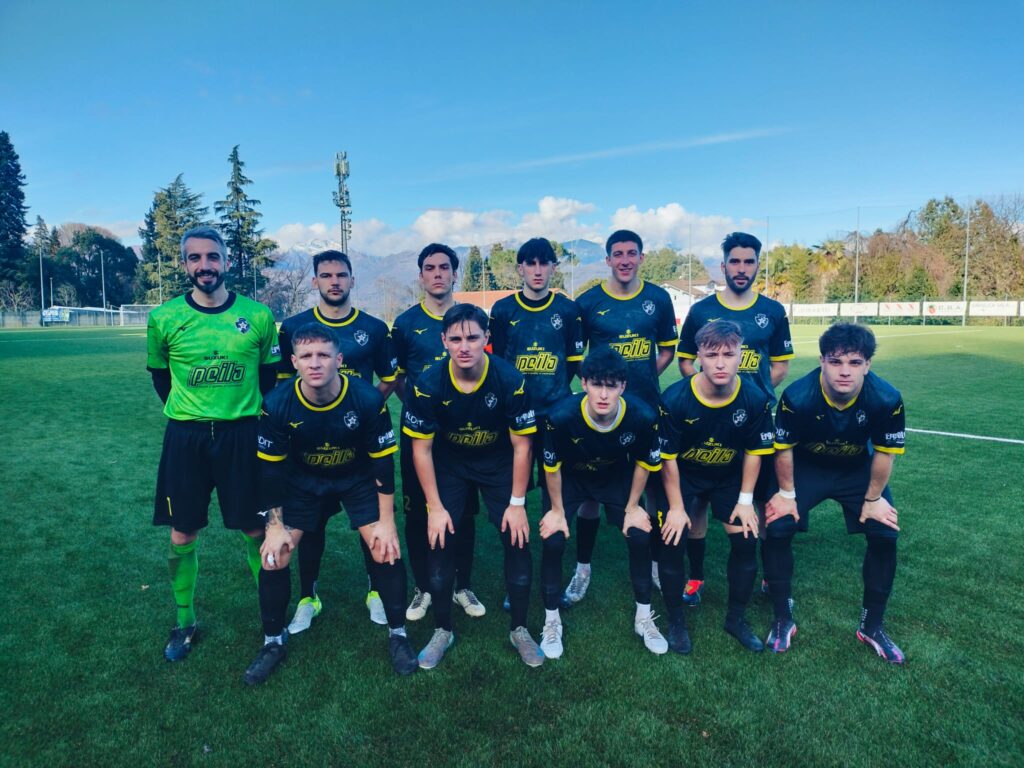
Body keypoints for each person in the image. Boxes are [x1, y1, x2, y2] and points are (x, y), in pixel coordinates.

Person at [247, 323, 416, 684]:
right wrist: (274, 527)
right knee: (275, 555)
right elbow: (270, 471)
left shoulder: (366, 398)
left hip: (356, 478)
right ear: (294, 362)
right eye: (306, 356)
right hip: (302, 483)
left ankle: (399, 635)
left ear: (339, 360)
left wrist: (387, 522)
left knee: (385, 549)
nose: (315, 363)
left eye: (323, 355)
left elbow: (382, 463)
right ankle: (272, 643)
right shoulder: (276, 403)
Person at [146, 225, 280, 661]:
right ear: (185, 264)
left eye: (212, 256)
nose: (204, 265)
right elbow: (160, 378)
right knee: (182, 529)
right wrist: (192, 412)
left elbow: (269, 377)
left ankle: (271, 622)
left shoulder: (257, 316)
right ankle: (184, 622)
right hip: (186, 437)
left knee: (255, 528)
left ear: (226, 260)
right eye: (195, 258)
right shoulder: (164, 318)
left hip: (242, 435)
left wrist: (236, 413)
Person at [403, 304, 542, 668]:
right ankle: (442, 630)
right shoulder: (427, 384)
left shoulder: (509, 379)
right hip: (450, 465)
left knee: (516, 537)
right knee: (440, 539)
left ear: (486, 339)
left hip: (498, 464)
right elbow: (421, 449)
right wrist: (434, 507)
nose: (464, 347)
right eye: (455, 339)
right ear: (443, 341)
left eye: (472, 338)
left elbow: (523, 446)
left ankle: (520, 630)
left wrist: (517, 503)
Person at [763, 323, 906, 663]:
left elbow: (884, 454)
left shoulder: (887, 398)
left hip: (856, 469)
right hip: (806, 466)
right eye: (836, 361)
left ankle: (872, 625)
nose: (845, 371)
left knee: (885, 533)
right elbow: (783, 450)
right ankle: (782, 616)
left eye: (855, 363)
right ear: (822, 361)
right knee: (777, 526)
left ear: (867, 365)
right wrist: (786, 494)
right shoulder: (798, 396)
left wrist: (873, 500)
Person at [275, 250, 398, 631]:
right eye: (326, 275)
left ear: (352, 280)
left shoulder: (373, 328)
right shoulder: (293, 327)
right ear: (314, 281)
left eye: (341, 275)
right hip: (307, 447)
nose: (334, 282)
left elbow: (389, 377)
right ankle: (308, 597)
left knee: (369, 522)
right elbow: (283, 386)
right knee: (310, 524)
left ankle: (375, 591)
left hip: (359, 446)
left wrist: (364, 411)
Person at [675, 232, 794, 607]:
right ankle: (696, 577)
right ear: (723, 265)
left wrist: (752, 394)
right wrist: (711, 395)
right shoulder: (701, 311)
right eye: (735, 261)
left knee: (759, 496)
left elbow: (780, 366)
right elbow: (685, 361)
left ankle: (766, 575)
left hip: (754, 421)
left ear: (757, 265)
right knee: (698, 499)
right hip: (707, 422)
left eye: (749, 261)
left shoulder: (773, 311)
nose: (741, 268)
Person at [568, 230, 678, 606]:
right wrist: (601, 388)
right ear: (608, 260)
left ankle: (654, 563)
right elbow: (577, 355)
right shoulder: (588, 302)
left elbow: (667, 350)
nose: (625, 260)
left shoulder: (658, 298)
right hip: (600, 413)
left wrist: (639, 381)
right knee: (591, 489)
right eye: (618, 254)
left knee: (652, 486)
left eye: (632, 253)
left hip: (645, 409)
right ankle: (582, 568)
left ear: (642, 258)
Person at [539, 348, 671, 658]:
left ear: (623, 386)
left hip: (614, 477)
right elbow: (552, 468)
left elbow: (644, 463)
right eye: (597, 384)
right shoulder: (559, 416)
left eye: (611, 386)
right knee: (553, 539)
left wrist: (633, 506)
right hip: (572, 478)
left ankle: (644, 617)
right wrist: (556, 511)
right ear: (584, 383)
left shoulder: (643, 415)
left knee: (640, 535)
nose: (603, 394)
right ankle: (551, 620)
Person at [658, 321, 776, 655]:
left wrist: (745, 500)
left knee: (746, 539)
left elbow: (754, 452)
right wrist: (676, 507)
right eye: (712, 355)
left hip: (728, 477)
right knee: (672, 539)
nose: (720, 363)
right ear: (699, 357)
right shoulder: (675, 398)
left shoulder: (755, 398)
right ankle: (676, 621)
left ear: (741, 355)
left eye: (728, 354)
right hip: (684, 475)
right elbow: (667, 459)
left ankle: (735, 620)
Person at [390, 244, 483, 621]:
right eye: (430, 268)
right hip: (419, 433)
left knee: (465, 513)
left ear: (455, 273)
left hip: (464, 434)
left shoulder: (471, 319)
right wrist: (421, 410)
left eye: (445, 267)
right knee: (417, 511)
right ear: (421, 276)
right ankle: (423, 587)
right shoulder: (405, 323)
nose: (438, 274)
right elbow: (398, 379)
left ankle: (463, 585)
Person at [489, 237, 585, 512]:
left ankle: (554, 532)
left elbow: (572, 363)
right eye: (531, 264)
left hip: (555, 412)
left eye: (544, 263)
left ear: (554, 267)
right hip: (513, 412)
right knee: (510, 487)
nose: (538, 270)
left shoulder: (568, 310)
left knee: (554, 489)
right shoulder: (502, 310)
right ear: (520, 269)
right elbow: (497, 364)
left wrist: (555, 391)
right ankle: (513, 532)